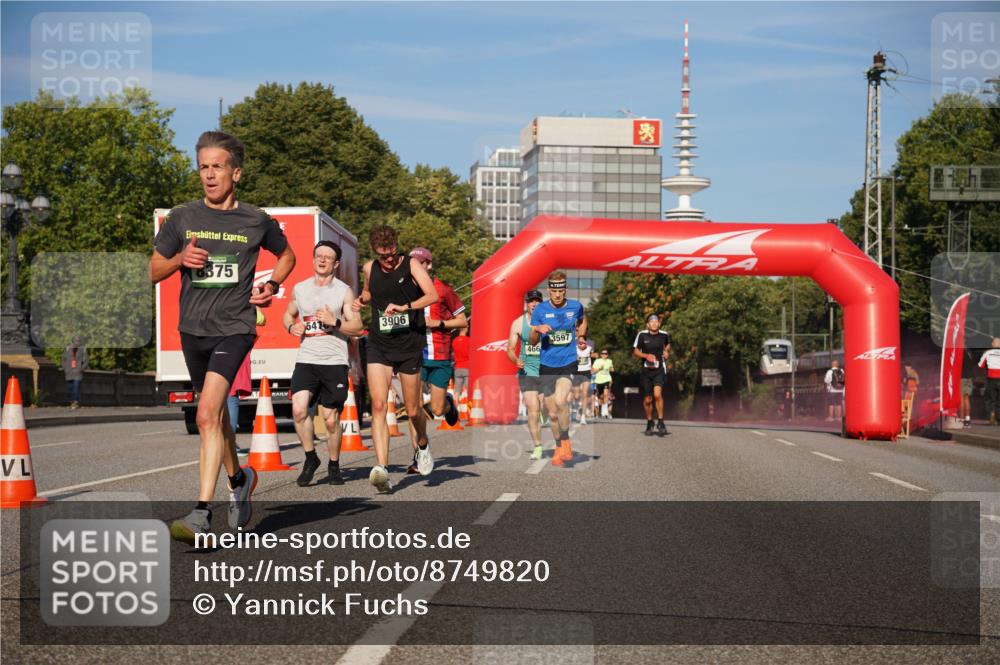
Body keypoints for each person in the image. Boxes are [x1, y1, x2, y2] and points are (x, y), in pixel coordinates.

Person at [150, 130, 295, 543]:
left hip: (234, 327)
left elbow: (287, 255)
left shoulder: (255, 220)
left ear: (237, 173)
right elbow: (153, 270)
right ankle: (239, 478)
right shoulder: (182, 217)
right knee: (216, 419)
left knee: (206, 415)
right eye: (203, 168)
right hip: (192, 330)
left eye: (217, 167)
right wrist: (180, 259)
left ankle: (200, 514)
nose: (209, 175)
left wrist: (272, 285)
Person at [352, 226, 438, 493]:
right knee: (379, 405)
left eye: (391, 254)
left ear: (396, 247)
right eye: (383, 255)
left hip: (409, 344)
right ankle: (382, 469)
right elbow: (369, 292)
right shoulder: (369, 268)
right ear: (374, 252)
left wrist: (406, 307)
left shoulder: (411, 264)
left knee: (412, 410)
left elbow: (432, 295)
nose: (388, 260)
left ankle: (422, 444)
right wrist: (361, 300)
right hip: (379, 344)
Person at [284, 241, 363, 487]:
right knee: (299, 410)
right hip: (306, 358)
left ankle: (334, 464)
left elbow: (357, 327)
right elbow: (288, 314)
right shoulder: (300, 288)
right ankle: (311, 458)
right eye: (319, 255)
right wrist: (291, 326)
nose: (322, 260)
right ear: (313, 259)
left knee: (330, 419)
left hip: (334, 360)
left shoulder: (344, 291)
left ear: (336, 264)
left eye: (328, 257)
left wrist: (335, 322)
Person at [407, 247, 464, 474]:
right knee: (413, 408)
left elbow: (462, 321)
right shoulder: (406, 291)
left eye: (420, 263)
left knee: (438, 409)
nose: (415, 267)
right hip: (414, 355)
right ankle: (419, 455)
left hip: (439, 355)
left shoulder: (443, 290)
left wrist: (438, 324)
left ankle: (448, 403)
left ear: (428, 265)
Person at [530, 271, 587, 466]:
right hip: (547, 364)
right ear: (548, 290)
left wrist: (581, 336)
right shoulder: (540, 310)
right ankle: (558, 445)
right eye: (554, 291)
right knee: (552, 413)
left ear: (565, 289)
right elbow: (533, 340)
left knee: (562, 400)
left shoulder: (575, 306)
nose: (557, 295)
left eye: (561, 291)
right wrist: (538, 330)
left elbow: (582, 320)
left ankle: (566, 441)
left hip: (567, 361)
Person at [507, 290, 545, 460]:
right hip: (527, 369)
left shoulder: (549, 321)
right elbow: (510, 349)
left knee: (544, 407)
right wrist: (516, 360)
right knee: (532, 408)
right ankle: (538, 446)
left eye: (537, 301)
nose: (534, 304)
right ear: (527, 304)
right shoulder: (517, 324)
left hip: (546, 369)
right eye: (531, 301)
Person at [633, 314, 670, 436]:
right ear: (647, 324)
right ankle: (650, 422)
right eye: (651, 322)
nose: (654, 324)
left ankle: (661, 421)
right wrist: (646, 355)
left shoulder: (664, 335)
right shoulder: (642, 335)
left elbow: (667, 345)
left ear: (659, 324)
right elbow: (636, 351)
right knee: (648, 400)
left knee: (657, 394)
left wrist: (666, 352)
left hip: (659, 369)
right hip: (646, 371)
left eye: (656, 322)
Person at [61, 336, 89, 409]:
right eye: (76, 341)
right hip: (69, 371)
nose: (77, 342)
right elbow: (63, 359)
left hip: (77, 372)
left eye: (79, 341)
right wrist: (65, 368)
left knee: (76, 387)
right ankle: (72, 401)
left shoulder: (83, 349)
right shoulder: (67, 348)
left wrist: (81, 368)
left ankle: (75, 402)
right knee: (70, 388)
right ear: (73, 341)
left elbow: (86, 361)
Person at [572, 335, 593, 425]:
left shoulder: (589, 349)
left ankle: (583, 417)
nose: (581, 344)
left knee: (584, 393)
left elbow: (594, 355)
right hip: (576, 373)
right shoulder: (574, 349)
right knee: (576, 396)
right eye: (579, 343)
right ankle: (575, 410)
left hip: (586, 373)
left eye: (582, 343)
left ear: (586, 343)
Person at [979, 338, 1000, 426]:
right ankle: (999, 419)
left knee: (991, 399)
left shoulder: (987, 353)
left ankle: (991, 416)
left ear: (992, 344)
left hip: (991, 379)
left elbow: (981, 365)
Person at [592, 348, 614, 419]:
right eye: (603, 353)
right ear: (601, 355)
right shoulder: (597, 361)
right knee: (600, 397)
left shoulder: (609, 361)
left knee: (605, 395)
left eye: (605, 354)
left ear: (607, 355)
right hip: (598, 380)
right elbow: (593, 371)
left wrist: (611, 369)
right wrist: (599, 368)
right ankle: (599, 411)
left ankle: (605, 412)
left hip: (606, 380)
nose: (604, 355)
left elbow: (612, 368)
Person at [452, 326, 470, 398]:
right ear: (465, 329)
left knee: (457, 389)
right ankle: (466, 404)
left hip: (457, 367)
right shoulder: (469, 340)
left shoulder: (454, 340)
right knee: (467, 390)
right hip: (467, 367)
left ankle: (456, 404)